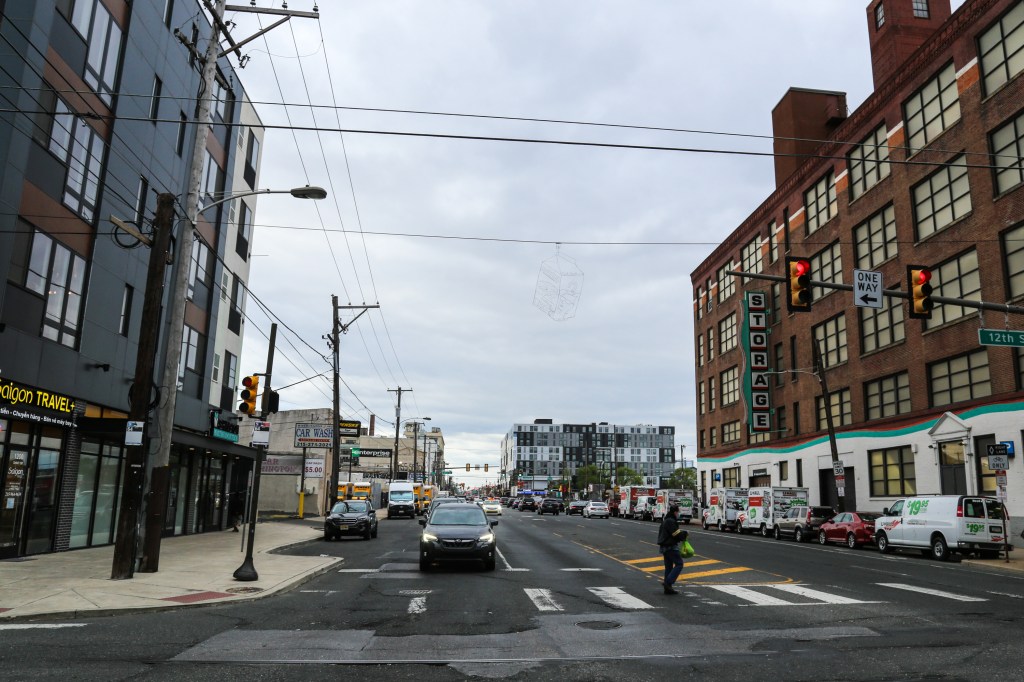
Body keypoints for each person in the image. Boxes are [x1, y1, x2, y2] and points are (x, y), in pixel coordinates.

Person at [656, 504, 687, 595]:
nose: (678, 514)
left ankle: (668, 588)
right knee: (679, 564)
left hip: (664, 546)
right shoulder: (671, 521)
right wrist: (684, 534)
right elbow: (675, 534)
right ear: (675, 512)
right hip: (670, 546)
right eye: (678, 512)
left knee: (669, 567)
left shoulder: (666, 520)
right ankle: (668, 582)